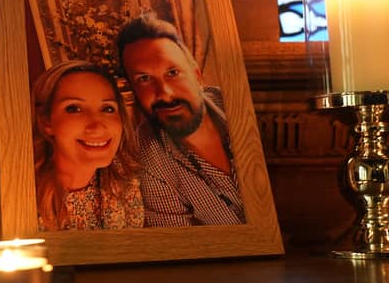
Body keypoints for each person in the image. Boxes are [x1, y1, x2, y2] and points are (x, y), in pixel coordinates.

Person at [116, 14, 246, 227]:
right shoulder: (148, 160)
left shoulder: (238, 107)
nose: (165, 94)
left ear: (197, 76)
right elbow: (179, 248)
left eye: (173, 72)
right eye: (144, 79)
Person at [32, 59, 144, 231]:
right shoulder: (25, 194)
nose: (97, 126)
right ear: (46, 120)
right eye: (74, 109)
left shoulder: (124, 181)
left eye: (107, 109)